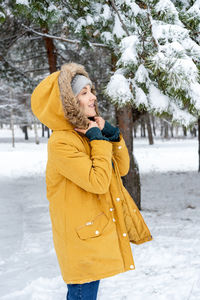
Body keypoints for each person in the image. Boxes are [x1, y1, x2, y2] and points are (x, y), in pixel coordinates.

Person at [31, 62, 153, 300]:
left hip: (92, 235)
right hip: (79, 241)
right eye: (84, 93)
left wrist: (113, 137)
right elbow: (97, 182)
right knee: (81, 294)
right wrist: (98, 140)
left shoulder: (87, 132)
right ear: (68, 102)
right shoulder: (62, 142)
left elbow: (122, 169)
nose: (93, 97)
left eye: (92, 91)